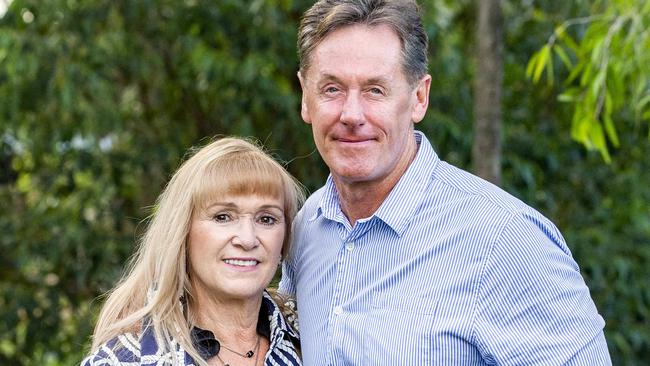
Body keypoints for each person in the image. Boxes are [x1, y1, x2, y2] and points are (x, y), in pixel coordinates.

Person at [279, 0, 612, 364]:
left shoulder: (505, 240)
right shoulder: (305, 231)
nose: (352, 114)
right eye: (331, 89)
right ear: (305, 97)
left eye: (375, 90)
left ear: (419, 98)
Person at [82, 137, 304, 366]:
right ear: (183, 232)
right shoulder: (122, 361)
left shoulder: (313, 342)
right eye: (223, 217)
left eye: (267, 219)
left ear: (284, 240)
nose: (247, 239)